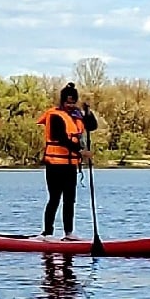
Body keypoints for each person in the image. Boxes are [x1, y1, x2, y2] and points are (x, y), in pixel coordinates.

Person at [38, 83, 99, 238]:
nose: (71, 105)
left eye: (73, 102)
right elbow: (61, 138)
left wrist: (88, 112)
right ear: (62, 101)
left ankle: (69, 233)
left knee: (70, 200)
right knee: (54, 198)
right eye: (68, 102)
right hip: (55, 165)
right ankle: (47, 233)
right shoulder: (55, 116)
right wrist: (81, 151)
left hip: (71, 165)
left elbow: (92, 126)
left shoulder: (77, 115)